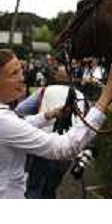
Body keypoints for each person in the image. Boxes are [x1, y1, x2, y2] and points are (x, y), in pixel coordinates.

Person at [0, 49, 112, 199]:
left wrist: (47, 115)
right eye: (14, 74)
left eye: (21, 71)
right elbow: (64, 148)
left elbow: (13, 126)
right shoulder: (1, 121)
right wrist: (104, 99)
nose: (22, 78)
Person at [16, 64, 88, 199]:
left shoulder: (45, 91)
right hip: (67, 150)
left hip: (42, 146)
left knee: (34, 188)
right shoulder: (81, 96)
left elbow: (20, 110)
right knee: (50, 190)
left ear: (55, 76)